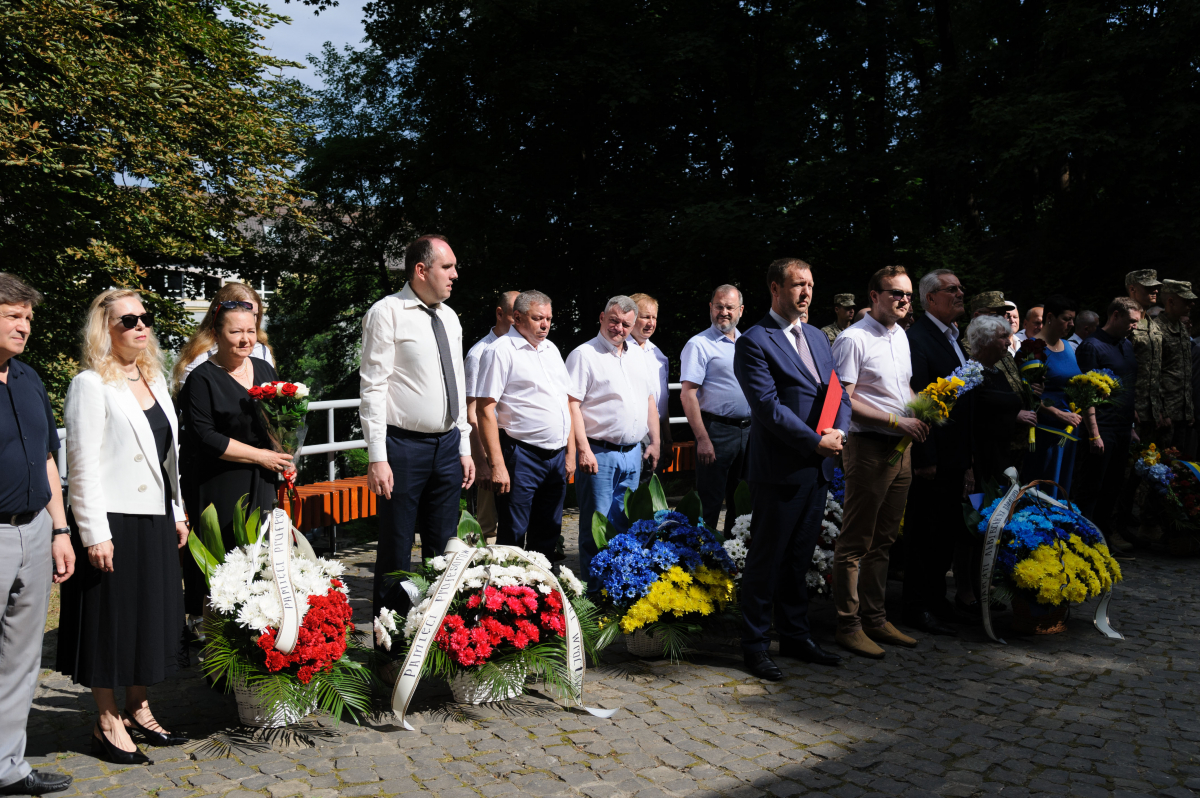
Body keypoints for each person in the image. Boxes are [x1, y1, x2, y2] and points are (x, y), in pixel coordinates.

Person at [59, 289, 188, 764]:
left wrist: (177, 511)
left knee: (148, 617)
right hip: (110, 519)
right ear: (104, 330)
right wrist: (92, 532)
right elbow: (82, 464)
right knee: (109, 622)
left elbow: (166, 460)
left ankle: (139, 706)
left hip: (154, 516)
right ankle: (107, 718)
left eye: (144, 318)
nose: (139, 326)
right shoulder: (90, 384)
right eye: (126, 320)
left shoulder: (153, 377)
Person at [733, 258, 850, 680]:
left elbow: (839, 391)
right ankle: (756, 645)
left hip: (817, 467)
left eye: (811, 285)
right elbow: (767, 407)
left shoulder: (818, 337)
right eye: (798, 285)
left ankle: (797, 637)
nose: (806, 293)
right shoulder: (754, 340)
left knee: (800, 559)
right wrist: (814, 441)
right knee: (767, 560)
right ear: (775, 289)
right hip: (780, 470)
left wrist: (840, 432)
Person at [360, 234, 475, 625]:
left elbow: (456, 381)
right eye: (448, 267)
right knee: (396, 547)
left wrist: (464, 445)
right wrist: (378, 456)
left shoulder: (449, 316)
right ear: (421, 270)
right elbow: (373, 386)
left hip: (447, 445)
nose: (455, 275)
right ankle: (389, 641)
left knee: (443, 547)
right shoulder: (386, 312)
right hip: (403, 447)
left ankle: (438, 634)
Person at [0, 274, 74, 797]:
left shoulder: (28, 379)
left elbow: (49, 456)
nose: (24, 326)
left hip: (36, 530)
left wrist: (62, 528)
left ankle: (7, 767)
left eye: (28, 318)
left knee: (21, 660)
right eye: (12, 316)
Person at [830, 266, 928, 658]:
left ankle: (875, 616)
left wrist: (923, 410)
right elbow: (841, 398)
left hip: (900, 447)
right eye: (895, 293)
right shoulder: (853, 339)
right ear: (873, 296)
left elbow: (899, 387)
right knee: (856, 540)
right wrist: (893, 419)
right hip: (868, 446)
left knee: (885, 540)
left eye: (907, 294)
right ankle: (847, 623)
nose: (904, 300)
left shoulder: (900, 334)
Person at [177, 299, 293, 617]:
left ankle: (257, 628)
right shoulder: (201, 379)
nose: (245, 339)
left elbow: (276, 421)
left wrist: (285, 454)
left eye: (251, 331)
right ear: (216, 333)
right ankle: (209, 633)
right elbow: (206, 437)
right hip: (219, 485)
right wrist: (261, 456)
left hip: (263, 480)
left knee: (260, 557)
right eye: (235, 331)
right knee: (223, 563)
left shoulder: (265, 369)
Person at [566, 296, 660, 580]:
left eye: (625, 324)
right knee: (597, 525)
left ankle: (618, 588)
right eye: (614, 321)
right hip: (599, 453)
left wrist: (655, 441)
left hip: (633, 453)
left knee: (623, 523)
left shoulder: (638, 355)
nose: (619, 328)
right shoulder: (584, 355)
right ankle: (595, 592)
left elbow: (649, 400)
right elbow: (571, 405)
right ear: (602, 317)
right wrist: (583, 449)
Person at [476, 291, 575, 558]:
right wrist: (497, 465)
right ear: (517, 317)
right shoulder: (499, 351)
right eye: (537, 318)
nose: (544, 325)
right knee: (514, 535)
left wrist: (571, 453)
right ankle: (510, 594)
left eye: (548, 319)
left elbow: (565, 402)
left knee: (548, 533)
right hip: (521, 454)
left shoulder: (551, 349)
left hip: (556, 455)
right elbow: (484, 409)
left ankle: (546, 594)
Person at [902, 268, 970, 636]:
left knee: (944, 532)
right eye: (952, 289)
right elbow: (917, 400)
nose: (960, 293)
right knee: (923, 533)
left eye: (960, 288)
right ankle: (915, 605)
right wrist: (925, 456)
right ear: (930, 298)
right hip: (933, 455)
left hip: (954, 455)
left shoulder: (953, 337)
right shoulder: (919, 338)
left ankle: (936, 599)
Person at [680, 286, 751, 533]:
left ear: (740, 310)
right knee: (709, 504)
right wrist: (703, 439)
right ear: (710, 307)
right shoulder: (699, 344)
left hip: (750, 433)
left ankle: (736, 561)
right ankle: (703, 564)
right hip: (716, 432)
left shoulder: (749, 342)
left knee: (743, 504)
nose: (724, 312)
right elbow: (687, 394)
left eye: (730, 307)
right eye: (719, 306)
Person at [1074, 298, 1141, 554]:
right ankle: (1082, 541)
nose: (1135, 327)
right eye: (1132, 321)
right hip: (1101, 428)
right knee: (1091, 487)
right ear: (1115, 315)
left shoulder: (1125, 344)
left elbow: (1125, 384)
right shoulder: (1092, 347)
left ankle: (1102, 538)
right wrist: (1094, 433)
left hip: (1122, 427)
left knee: (1113, 486)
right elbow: (1084, 392)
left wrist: (1131, 423)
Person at [465, 291, 519, 540]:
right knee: (489, 526)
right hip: (489, 445)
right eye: (514, 316)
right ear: (500, 313)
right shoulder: (479, 354)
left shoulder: (521, 348)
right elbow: (471, 413)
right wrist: (481, 461)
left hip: (516, 446)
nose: (520, 322)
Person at [1024, 295, 1083, 495]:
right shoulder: (1031, 348)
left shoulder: (1067, 347)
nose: (1071, 324)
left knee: (1062, 480)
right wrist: (1059, 414)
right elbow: (1026, 395)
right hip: (1045, 427)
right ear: (1050, 317)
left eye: (1073, 319)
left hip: (1069, 425)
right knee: (1043, 481)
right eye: (1066, 319)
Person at [968, 315, 1036, 483]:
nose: (1008, 342)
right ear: (984, 341)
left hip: (1004, 456)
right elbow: (965, 423)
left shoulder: (998, 373)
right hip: (980, 461)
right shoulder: (969, 374)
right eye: (1003, 337)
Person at [171, 282, 274, 390]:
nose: (248, 318)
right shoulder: (200, 358)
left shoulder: (261, 350)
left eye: (255, 315)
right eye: (241, 311)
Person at [628, 293, 672, 480]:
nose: (651, 323)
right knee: (631, 497)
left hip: (657, 435)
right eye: (646, 316)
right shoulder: (618, 352)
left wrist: (667, 439)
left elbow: (662, 401)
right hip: (632, 434)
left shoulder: (658, 355)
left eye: (654, 317)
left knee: (653, 494)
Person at [1148, 280, 1196, 451]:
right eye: (1186, 300)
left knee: (1180, 465)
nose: (1191, 304)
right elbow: (1151, 374)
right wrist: (1160, 412)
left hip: (1181, 413)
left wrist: (1188, 410)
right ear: (1170, 301)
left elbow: (1183, 372)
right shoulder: (1155, 330)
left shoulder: (1181, 329)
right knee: (1159, 465)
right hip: (1165, 416)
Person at [1127, 269, 1163, 443]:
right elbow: (1118, 368)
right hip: (1131, 409)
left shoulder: (1153, 325)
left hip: (1152, 411)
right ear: (1132, 289)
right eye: (1149, 288)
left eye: (1156, 287)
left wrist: (1160, 409)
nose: (1155, 291)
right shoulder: (1124, 323)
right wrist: (1127, 406)